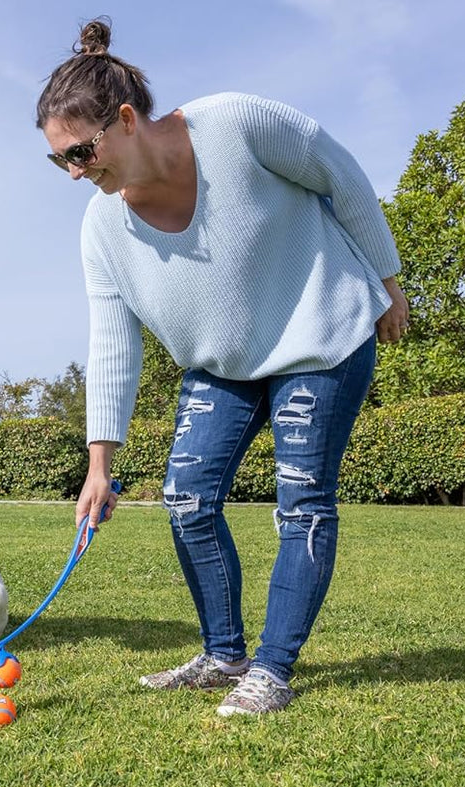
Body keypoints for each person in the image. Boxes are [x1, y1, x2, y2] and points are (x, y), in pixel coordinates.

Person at [37, 18, 409, 716]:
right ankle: (222, 653)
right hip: (222, 364)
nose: (75, 173)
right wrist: (98, 463)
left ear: (124, 120)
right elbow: (112, 339)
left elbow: (342, 176)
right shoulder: (100, 228)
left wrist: (389, 282)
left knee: (300, 500)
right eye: (59, 161)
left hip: (319, 337)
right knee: (185, 498)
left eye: (80, 152)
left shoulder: (237, 123)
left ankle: (271, 668)